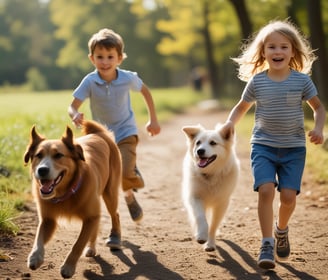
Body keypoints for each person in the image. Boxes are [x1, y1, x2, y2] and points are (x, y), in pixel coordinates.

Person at [222, 20, 326, 269]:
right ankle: (267, 242)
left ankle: (281, 230)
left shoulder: (301, 81)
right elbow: (241, 107)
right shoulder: (257, 82)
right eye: (271, 47)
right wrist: (229, 124)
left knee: (288, 198)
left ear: (293, 52)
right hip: (263, 146)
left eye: (283, 47)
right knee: (267, 191)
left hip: (294, 148)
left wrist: (319, 128)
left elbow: (319, 108)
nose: (277, 52)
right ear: (263, 52)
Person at [68, 28, 161, 247]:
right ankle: (129, 193)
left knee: (124, 171)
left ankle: (129, 185)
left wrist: (153, 120)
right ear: (92, 58)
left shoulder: (128, 78)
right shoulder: (90, 81)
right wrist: (75, 115)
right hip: (102, 139)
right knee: (110, 179)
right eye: (100, 57)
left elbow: (146, 92)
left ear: (120, 58)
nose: (105, 62)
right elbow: (72, 105)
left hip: (126, 131)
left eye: (110, 57)